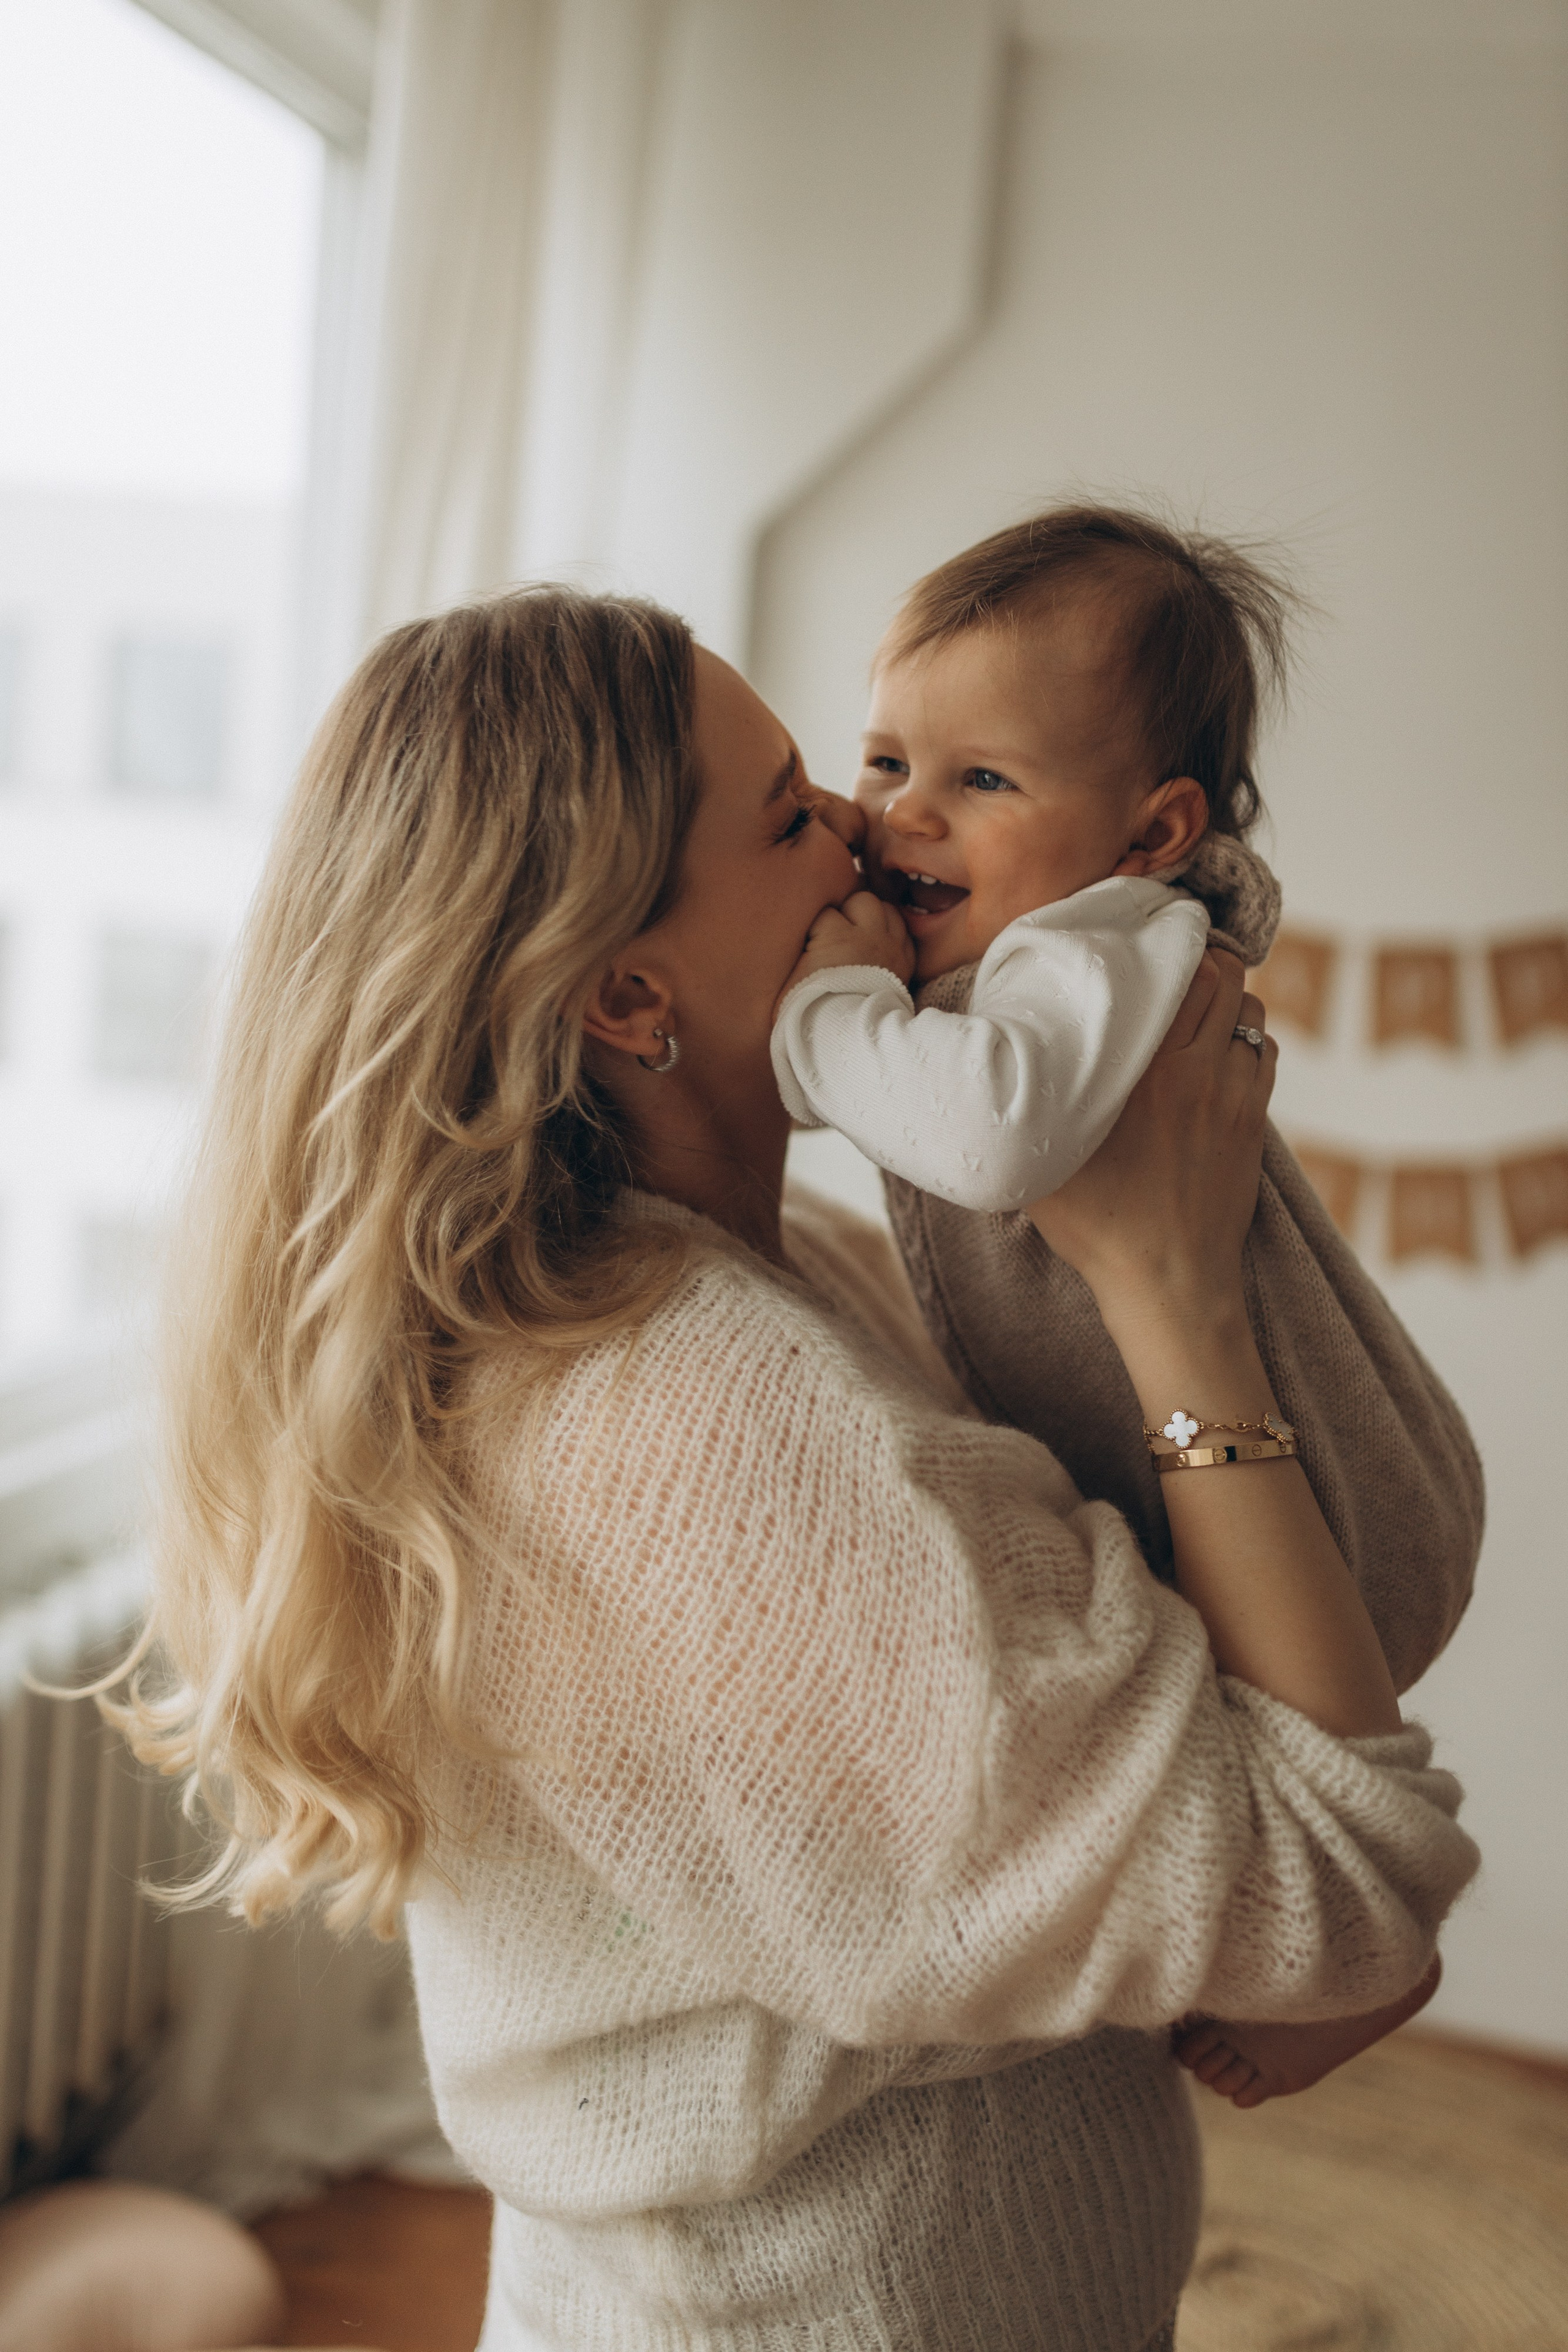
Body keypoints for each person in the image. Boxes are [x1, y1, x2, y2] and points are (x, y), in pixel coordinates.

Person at [122, 588, 1478, 2352]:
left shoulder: (802, 1267)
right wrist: (1173, 1288)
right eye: (794, 812)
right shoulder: (682, 1423)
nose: (873, 827)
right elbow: (1339, 1894)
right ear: (627, 992)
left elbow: (1101, 1767)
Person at [771, 505, 1484, 2104]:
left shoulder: (1098, 949)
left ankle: (1365, 1966)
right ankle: (1340, 1955)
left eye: (983, 781)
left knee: (1255, 1774)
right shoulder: (1020, 965)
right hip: (1236, 1465)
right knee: (1190, 1765)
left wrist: (818, 1008)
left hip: (1324, 1489)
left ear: (1152, 834)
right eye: (886, 761)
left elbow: (983, 1132)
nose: (902, 818)